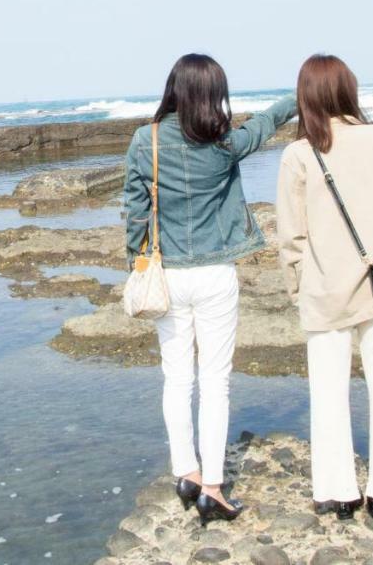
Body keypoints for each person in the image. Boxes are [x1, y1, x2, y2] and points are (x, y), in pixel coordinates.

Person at [124, 54, 296, 525]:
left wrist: (135, 263)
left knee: (176, 378)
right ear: (212, 94)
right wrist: (299, 96)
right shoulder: (223, 144)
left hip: (168, 275)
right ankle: (214, 488)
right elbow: (266, 124)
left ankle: (187, 473)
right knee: (215, 381)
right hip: (216, 274)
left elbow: (135, 210)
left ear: (174, 88)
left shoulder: (146, 140)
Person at [275, 54, 373, 521]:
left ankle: (337, 492)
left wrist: (296, 287)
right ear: (348, 90)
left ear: (305, 97)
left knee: (327, 394)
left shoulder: (299, 153)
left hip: (324, 291)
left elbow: (290, 236)